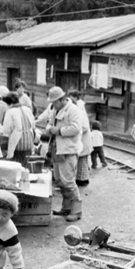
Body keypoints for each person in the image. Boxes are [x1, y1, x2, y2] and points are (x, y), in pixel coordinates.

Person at [46, 86, 84, 222]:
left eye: (54, 102)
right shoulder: (55, 109)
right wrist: (49, 129)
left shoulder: (74, 110)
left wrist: (58, 130)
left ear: (62, 99)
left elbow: (76, 128)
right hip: (57, 148)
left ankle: (77, 210)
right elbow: (49, 122)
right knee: (59, 179)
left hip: (68, 150)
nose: (53, 105)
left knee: (68, 180)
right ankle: (66, 207)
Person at [2, 92, 35, 166]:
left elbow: (6, 129)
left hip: (18, 142)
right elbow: (33, 124)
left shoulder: (10, 112)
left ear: (9, 103)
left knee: (16, 164)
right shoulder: (27, 109)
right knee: (25, 164)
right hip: (29, 141)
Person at [69, 90, 93, 187]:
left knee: (82, 161)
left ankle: (82, 180)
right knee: (81, 161)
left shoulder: (79, 107)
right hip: (82, 138)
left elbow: (84, 126)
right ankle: (81, 179)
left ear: (74, 97)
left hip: (83, 138)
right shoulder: (80, 106)